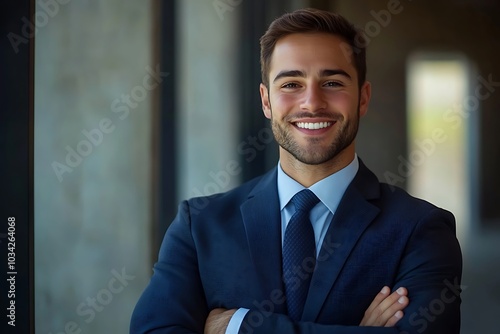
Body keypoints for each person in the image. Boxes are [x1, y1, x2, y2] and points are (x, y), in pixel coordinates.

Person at [130, 8, 462, 334]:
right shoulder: (199, 226)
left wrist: (239, 325)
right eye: (291, 84)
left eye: (332, 82)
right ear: (266, 100)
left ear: (363, 98)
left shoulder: (421, 230)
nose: (312, 102)